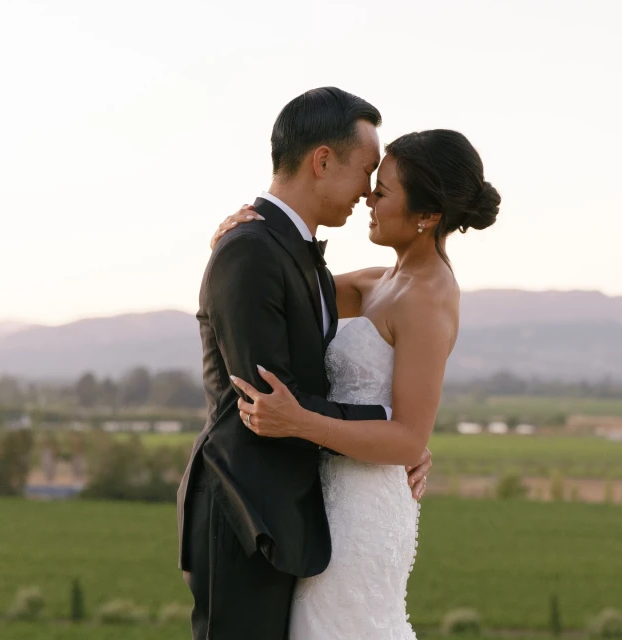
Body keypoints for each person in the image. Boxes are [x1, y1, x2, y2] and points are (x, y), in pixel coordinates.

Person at [213, 125, 501, 638]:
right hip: (323, 500)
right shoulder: (378, 281)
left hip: (362, 515)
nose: (368, 196)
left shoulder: (427, 299)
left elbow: (409, 438)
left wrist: (300, 421)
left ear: (428, 216)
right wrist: (236, 240)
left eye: (384, 190)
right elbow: (280, 284)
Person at [176, 86, 435, 640]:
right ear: (322, 161)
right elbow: (270, 402)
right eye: (366, 170)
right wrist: (393, 434)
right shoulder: (251, 249)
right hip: (242, 512)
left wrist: (400, 440)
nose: (369, 192)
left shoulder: (303, 257)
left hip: (287, 516)